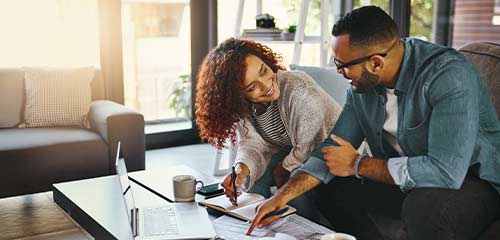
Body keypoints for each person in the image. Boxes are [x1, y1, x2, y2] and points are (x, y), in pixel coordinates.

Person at [248, 6, 500, 240]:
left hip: (472, 181)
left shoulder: (448, 75)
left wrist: (359, 164)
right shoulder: (361, 88)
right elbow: (332, 149)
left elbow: (446, 172)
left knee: (425, 207)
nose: (338, 72)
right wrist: (281, 197)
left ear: (376, 63)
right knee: (330, 186)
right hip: (407, 179)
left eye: (342, 65)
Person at [195, 38, 342, 204]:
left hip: (328, 152)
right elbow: (253, 143)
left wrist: (283, 168)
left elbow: (311, 145)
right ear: (238, 96)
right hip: (293, 150)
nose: (266, 86)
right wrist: (241, 169)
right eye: (252, 87)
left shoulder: (299, 90)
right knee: (252, 188)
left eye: (263, 71)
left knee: (291, 187)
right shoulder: (245, 106)